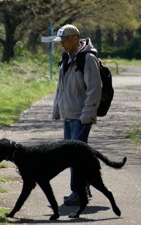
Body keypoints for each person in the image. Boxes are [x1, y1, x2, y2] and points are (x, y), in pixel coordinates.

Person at [52, 24, 102, 205]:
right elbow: (61, 87)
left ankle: (78, 192)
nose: (62, 45)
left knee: (74, 156)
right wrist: (57, 109)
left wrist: (87, 115)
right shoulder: (66, 56)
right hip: (69, 115)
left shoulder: (87, 58)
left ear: (75, 38)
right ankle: (84, 189)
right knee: (74, 156)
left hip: (81, 117)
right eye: (61, 42)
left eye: (65, 41)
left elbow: (95, 88)